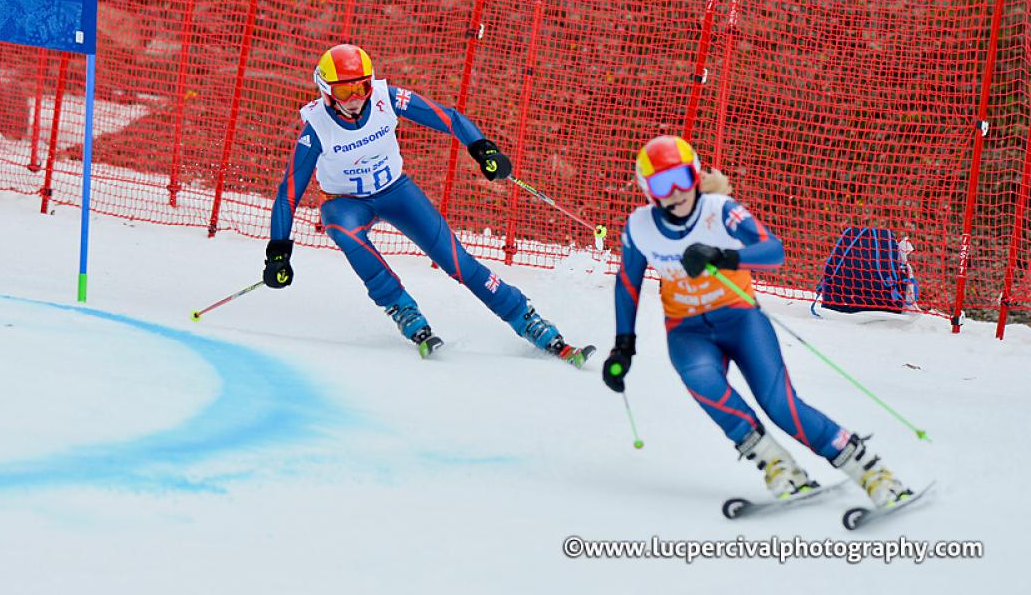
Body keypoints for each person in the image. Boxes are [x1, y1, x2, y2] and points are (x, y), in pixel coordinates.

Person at [601, 135, 913, 508]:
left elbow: (774, 252)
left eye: (681, 179)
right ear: (648, 191)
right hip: (687, 331)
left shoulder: (720, 210)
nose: (674, 192)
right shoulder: (640, 227)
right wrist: (624, 345)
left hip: (740, 319)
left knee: (779, 403)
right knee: (704, 383)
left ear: (695, 175)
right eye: (661, 185)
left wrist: (721, 255)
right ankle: (778, 466)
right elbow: (627, 283)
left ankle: (871, 472)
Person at [262, 43, 594, 366]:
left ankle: (527, 318)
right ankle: (401, 307)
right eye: (345, 91)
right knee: (343, 230)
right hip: (345, 203)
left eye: (361, 87)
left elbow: (448, 118)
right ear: (326, 91)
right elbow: (288, 193)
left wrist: (483, 148)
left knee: (457, 261)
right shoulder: (316, 128)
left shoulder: (385, 99)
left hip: (395, 192)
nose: (356, 99)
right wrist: (278, 252)